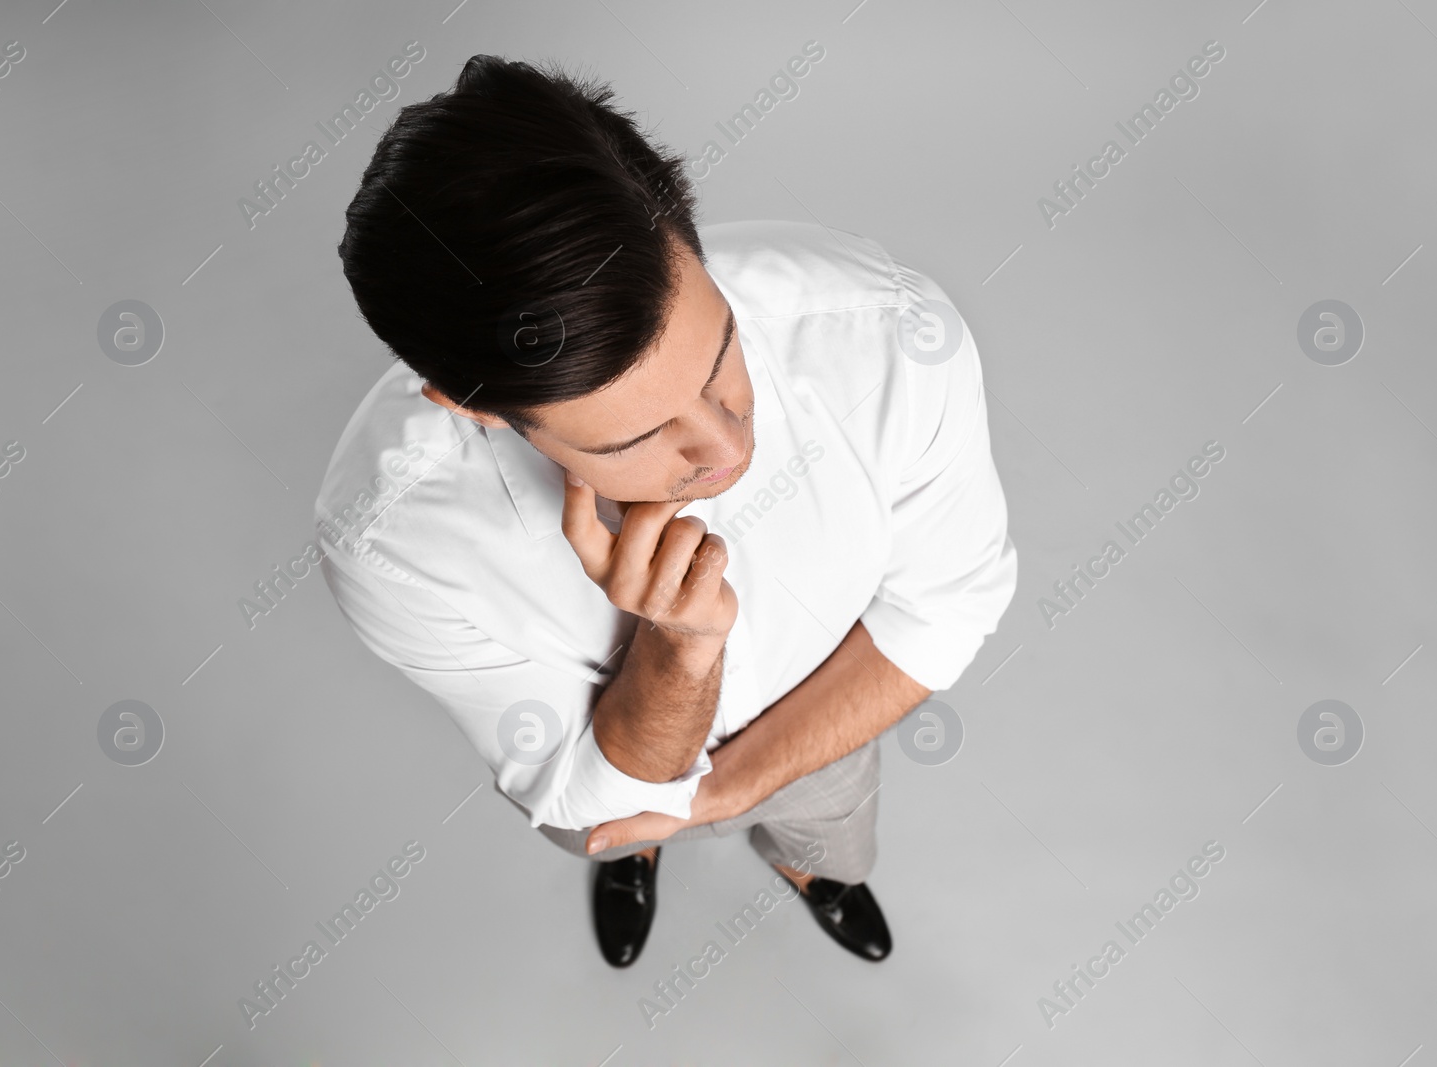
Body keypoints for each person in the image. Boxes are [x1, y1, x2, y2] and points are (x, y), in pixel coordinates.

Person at [315, 54, 1018, 968]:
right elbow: (583, 792)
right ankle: (639, 860)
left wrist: (731, 788)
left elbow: (947, 608)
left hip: (824, 710)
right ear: (475, 406)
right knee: (621, 826)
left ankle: (819, 873)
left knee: (831, 827)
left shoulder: (884, 331)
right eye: (629, 439)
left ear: (683, 232)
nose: (728, 452)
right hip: (608, 769)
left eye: (721, 362)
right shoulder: (393, 541)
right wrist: (681, 648)